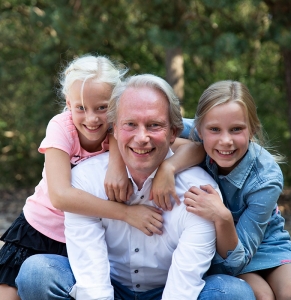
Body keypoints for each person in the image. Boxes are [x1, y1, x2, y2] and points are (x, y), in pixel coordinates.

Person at [15, 74, 255, 300]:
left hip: (168, 289)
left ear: (173, 132)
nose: (142, 138)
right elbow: (91, 277)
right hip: (109, 285)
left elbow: (184, 283)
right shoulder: (85, 180)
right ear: (115, 130)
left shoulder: (199, 189)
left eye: (154, 125)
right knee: (38, 272)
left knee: (234, 292)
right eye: (130, 124)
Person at [0, 55, 166, 300]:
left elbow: (192, 142)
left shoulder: (127, 127)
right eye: (80, 108)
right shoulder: (62, 127)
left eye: (102, 107)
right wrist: (126, 213)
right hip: (40, 230)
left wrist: (167, 170)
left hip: (86, 239)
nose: (91, 118)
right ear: (68, 103)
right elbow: (60, 196)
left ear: (118, 103)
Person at [153, 80, 291, 300]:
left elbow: (240, 257)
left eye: (237, 129)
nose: (225, 141)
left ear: (253, 129)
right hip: (218, 249)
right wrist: (167, 167)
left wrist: (222, 216)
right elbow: (143, 124)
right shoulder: (191, 129)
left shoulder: (267, 177)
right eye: (214, 129)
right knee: (261, 295)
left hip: (264, 243)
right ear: (199, 129)